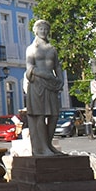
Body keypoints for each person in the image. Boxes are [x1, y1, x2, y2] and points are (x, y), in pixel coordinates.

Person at [24, 19, 65, 156]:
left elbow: (57, 66)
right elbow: (29, 68)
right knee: (39, 116)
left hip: (51, 85)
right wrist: (44, 75)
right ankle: (42, 148)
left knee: (54, 115)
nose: (43, 31)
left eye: (46, 29)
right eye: (41, 29)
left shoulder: (52, 49)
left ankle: (48, 144)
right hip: (38, 84)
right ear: (35, 31)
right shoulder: (31, 49)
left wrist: (61, 79)